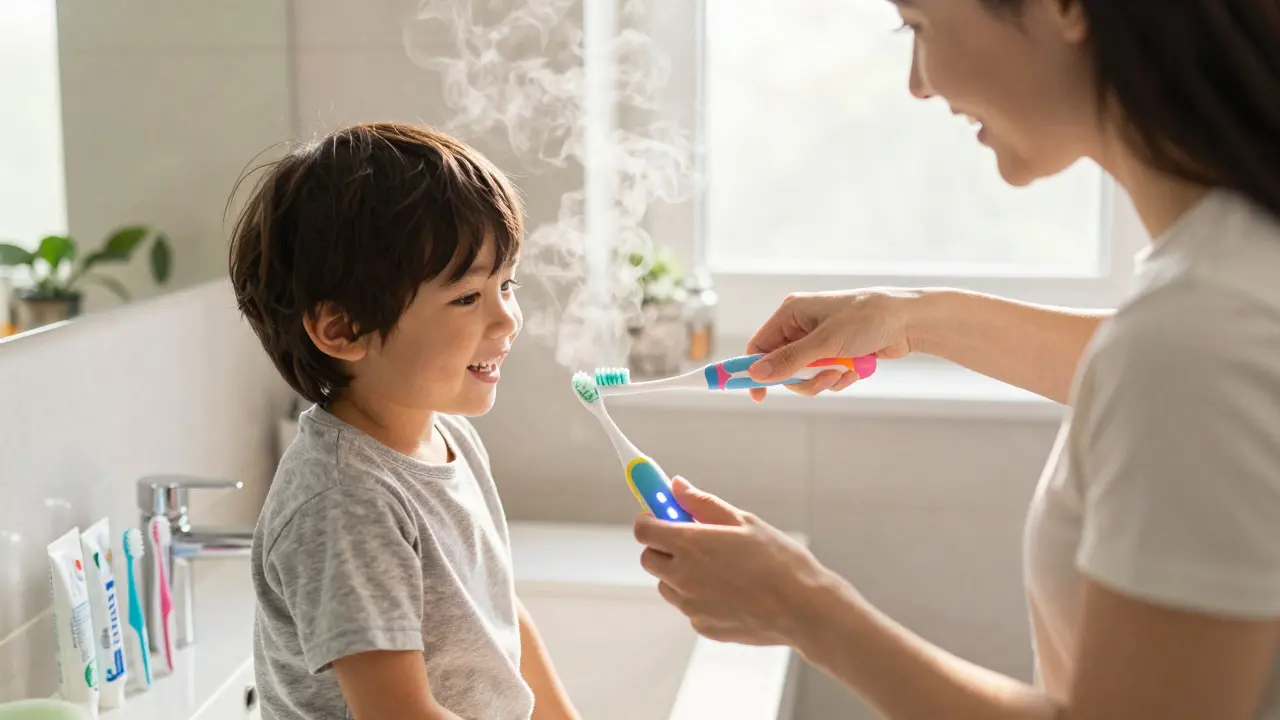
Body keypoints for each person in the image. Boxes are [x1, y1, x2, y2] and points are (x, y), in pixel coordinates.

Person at [634, 1, 1280, 717]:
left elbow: (1178, 369)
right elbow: (1152, 377)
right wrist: (911, 319)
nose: (918, 83)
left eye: (919, 26)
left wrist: (803, 608)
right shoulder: (1233, 272)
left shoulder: (1197, 336)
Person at [229, 122, 579, 720]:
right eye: (468, 297)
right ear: (343, 329)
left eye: (507, 285)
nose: (508, 321)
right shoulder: (345, 500)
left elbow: (497, 623)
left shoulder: (449, 437)